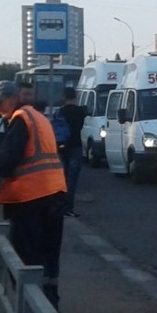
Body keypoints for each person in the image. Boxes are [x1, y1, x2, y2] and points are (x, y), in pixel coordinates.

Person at [0, 80, 68, 309]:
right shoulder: (38, 118)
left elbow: (7, 158)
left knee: (28, 256)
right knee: (50, 253)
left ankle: (33, 310)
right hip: (54, 193)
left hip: (30, 198)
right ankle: (50, 305)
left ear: (11, 98)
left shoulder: (21, 120)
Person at [56, 86, 87, 216]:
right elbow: (80, 126)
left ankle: (60, 206)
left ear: (64, 97)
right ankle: (69, 207)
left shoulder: (60, 112)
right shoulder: (81, 111)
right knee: (72, 178)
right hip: (76, 146)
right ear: (75, 97)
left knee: (62, 176)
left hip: (62, 146)